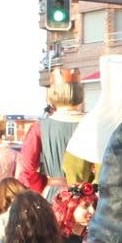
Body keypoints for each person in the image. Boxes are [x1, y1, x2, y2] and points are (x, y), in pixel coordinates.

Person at [19, 69, 91, 199]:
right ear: (80, 92)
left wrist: (45, 184)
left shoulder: (39, 127)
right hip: (87, 196)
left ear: (53, 93)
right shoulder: (94, 124)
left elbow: (27, 171)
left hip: (54, 197)